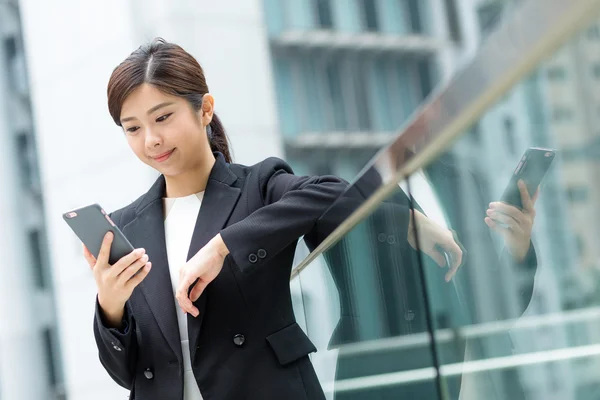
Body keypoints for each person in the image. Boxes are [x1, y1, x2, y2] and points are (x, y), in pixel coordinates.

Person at [83, 37, 356, 400]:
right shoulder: (126, 224)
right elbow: (125, 373)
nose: (151, 140)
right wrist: (110, 306)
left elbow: (336, 194)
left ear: (205, 109)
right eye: (133, 128)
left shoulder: (258, 186)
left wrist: (223, 247)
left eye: (163, 117)